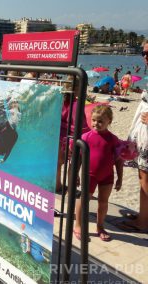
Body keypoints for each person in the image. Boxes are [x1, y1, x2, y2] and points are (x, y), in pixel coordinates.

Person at [73, 105, 123, 241]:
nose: (96, 124)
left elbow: (119, 160)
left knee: (103, 202)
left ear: (109, 121)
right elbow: (78, 158)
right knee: (84, 200)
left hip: (107, 175)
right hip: (89, 175)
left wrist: (120, 178)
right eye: (94, 120)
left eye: (101, 121)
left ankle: (100, 226)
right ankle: (78, 225)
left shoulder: (113, 139)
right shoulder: (86, 137)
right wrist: (75, 173)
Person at [117, 42, 148, 233]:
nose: (145, 56)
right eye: (143, 52)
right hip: (142, 132)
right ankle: (143, 215)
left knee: (145, 178)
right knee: (142, 175)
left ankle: (143, 223)